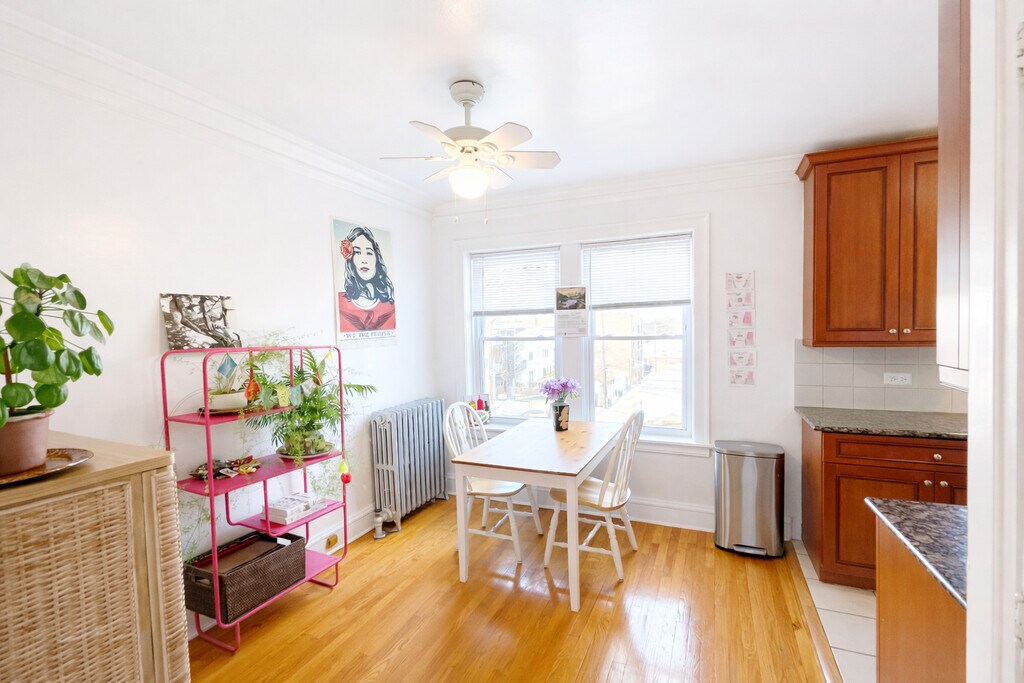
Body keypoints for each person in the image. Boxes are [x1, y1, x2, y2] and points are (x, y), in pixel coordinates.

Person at [337, 226, 396, 332]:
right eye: (357, 252)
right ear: (350, 260)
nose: (364, 260)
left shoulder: (390, 305)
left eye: (369, 253)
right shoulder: (340, 302)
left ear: (377, 258)